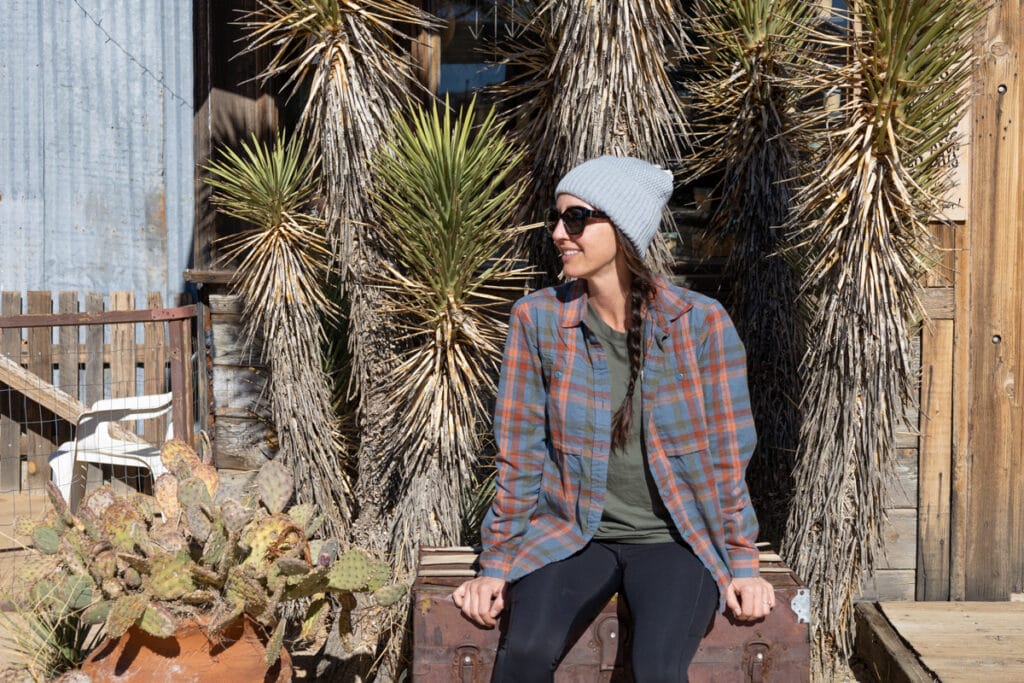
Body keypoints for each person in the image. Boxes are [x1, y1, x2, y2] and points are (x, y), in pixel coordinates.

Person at [452, 156, 773, 682]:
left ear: (621, 229)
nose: (560, 233)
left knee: (658, 669)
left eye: (576, 219)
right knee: (524, 653)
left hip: (676, 539)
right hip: (573, 533)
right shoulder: (538, 320)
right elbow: (519, 456)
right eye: (557, 219)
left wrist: (743, 563)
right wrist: (496, 566)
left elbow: (729, 457)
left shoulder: (700, 325)